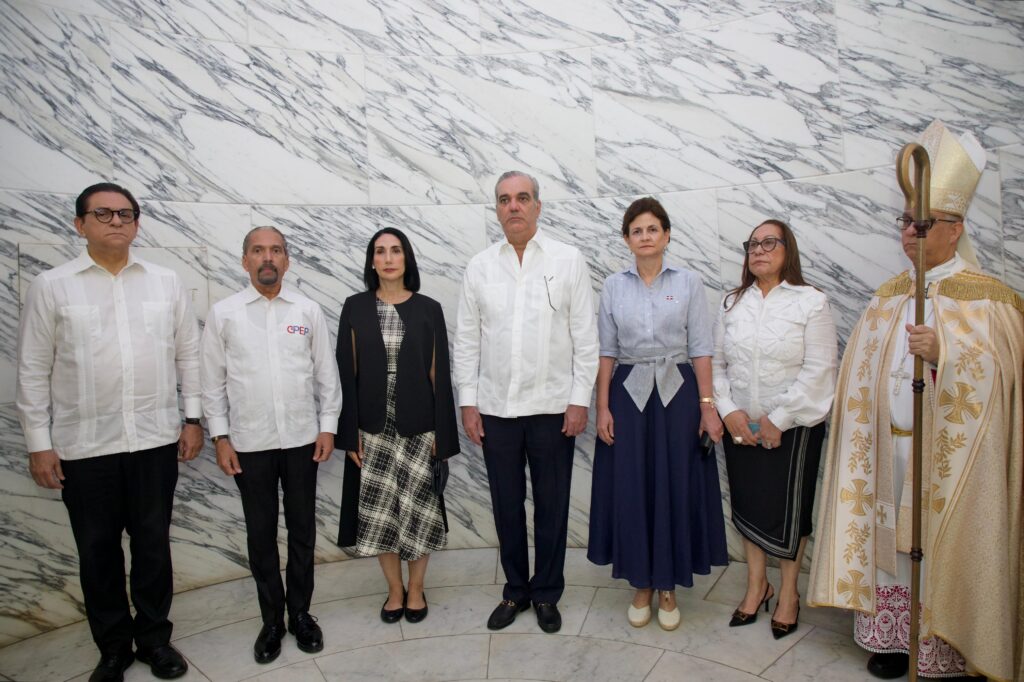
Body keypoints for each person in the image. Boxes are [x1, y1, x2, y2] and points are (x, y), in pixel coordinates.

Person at [808, 120, 1023, 682]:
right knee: (894, 549)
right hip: (890, 452)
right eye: (905, 222)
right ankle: (893, 639)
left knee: (941, 545)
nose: (909, 233)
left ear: (955, 229)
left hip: (950, 460)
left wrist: (945, 354)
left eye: (922, 224)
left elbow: (1005, 380)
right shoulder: (888, 297)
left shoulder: (989, 299)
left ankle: (945, 646)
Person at [16, 183, 200, 682]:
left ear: (137, 224)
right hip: (84, 447)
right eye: (103, 214)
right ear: (80, 224)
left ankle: (155, 640)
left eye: (126, 214)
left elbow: (188, 355)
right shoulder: (53, 286)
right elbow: (32, 369)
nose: (116, 221)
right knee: (97, 551)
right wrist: (39, 444)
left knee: (153, 547)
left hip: (154, 441)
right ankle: (113, 648)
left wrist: (193, 419)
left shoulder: (165, 282)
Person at [454, 171, 599, 634]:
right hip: (496, 410)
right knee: (506, 505)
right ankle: (516, 589)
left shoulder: (567, 260)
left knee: (552, 506)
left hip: (553, 408)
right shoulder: (480, 266)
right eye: (504, 200)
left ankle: (547, 593)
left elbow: (586, 338)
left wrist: (579, 400)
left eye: (521, 198)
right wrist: (469, 403)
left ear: (537, 205)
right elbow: (467, 341)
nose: (513, 206)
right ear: (497, 209)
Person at [200, 226, 341, 665]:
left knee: (302, 531)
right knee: (260, 535)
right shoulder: (224, 314)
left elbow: (326, 375)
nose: (267, 258)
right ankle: (272, 621)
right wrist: (220, 437)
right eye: (258, 251)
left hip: (302, 441)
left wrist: (328, 427)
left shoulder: (307, 310)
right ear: (245, 260)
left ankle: (300, 614)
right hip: (249, 444)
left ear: (286, 260)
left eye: (275, 250)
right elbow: (211, 383)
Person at [588, 197, 728, 631]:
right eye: (637, 230)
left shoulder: (688, 282)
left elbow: (701, 347)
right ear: (626, 239)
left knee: (675, 484)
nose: (645, 237)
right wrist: (603, 406)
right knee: (632, 487)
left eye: (653, 229)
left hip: (678, 394)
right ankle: (642, 583)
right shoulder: (613, 286)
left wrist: (708, 407)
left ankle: (668, 584)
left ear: (666, 235)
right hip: (628, 395)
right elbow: (607, 351)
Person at [712, 219, 837, 638]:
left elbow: (820, 370)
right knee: (748, 507)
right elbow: (717, 365)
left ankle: (788, 594)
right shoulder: (732, 303)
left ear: (788, 251)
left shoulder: (811, 301)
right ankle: (756, 586)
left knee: (790, 513)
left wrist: (778, 420)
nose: (759, 250)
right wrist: (728, 411)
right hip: (741, 429)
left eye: (769, 243)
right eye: (753, 244)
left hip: (793, 430)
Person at [336, 227, 459, 624]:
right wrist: (349, 433)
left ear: (407, 258)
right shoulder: (355, 307)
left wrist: (443, 433)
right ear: (372, 261)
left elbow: (440, 375)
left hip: (419, 426)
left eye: (395, 250)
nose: (388, 258)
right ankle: (394, 589)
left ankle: (417, 588)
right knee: (382, 514)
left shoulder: (428, 309)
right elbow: (346, 374)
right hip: (372, 429)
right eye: (380, 251)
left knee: (419, 512)